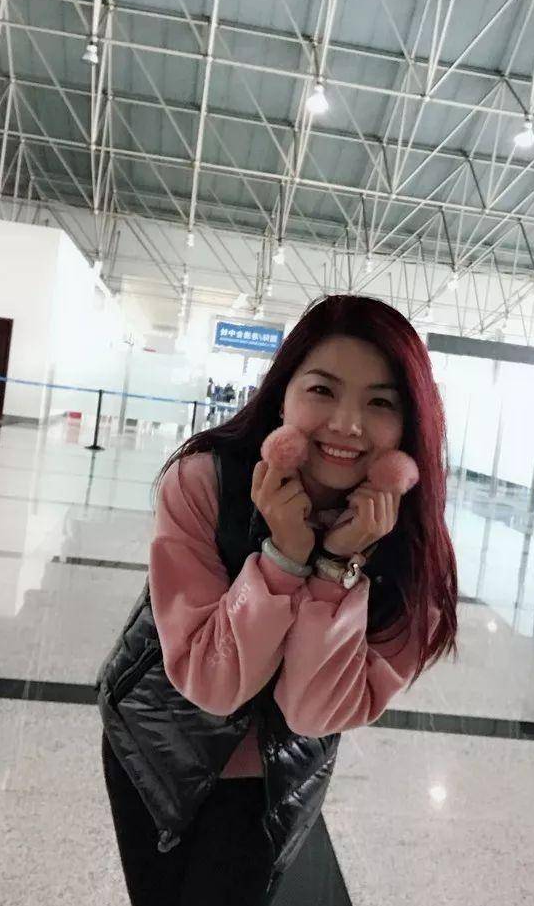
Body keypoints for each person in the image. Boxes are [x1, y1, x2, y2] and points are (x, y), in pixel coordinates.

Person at [97, 294, 459, 906]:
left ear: (410, 426)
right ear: (283, 396)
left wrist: (335, 569)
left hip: (272, 776)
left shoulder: (412, 551)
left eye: (380, 403)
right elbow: (212, 684)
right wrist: (282, 559)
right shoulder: (206, 482)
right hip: (156, 740)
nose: (347, 424)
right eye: (322, 391)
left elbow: (312, 713)